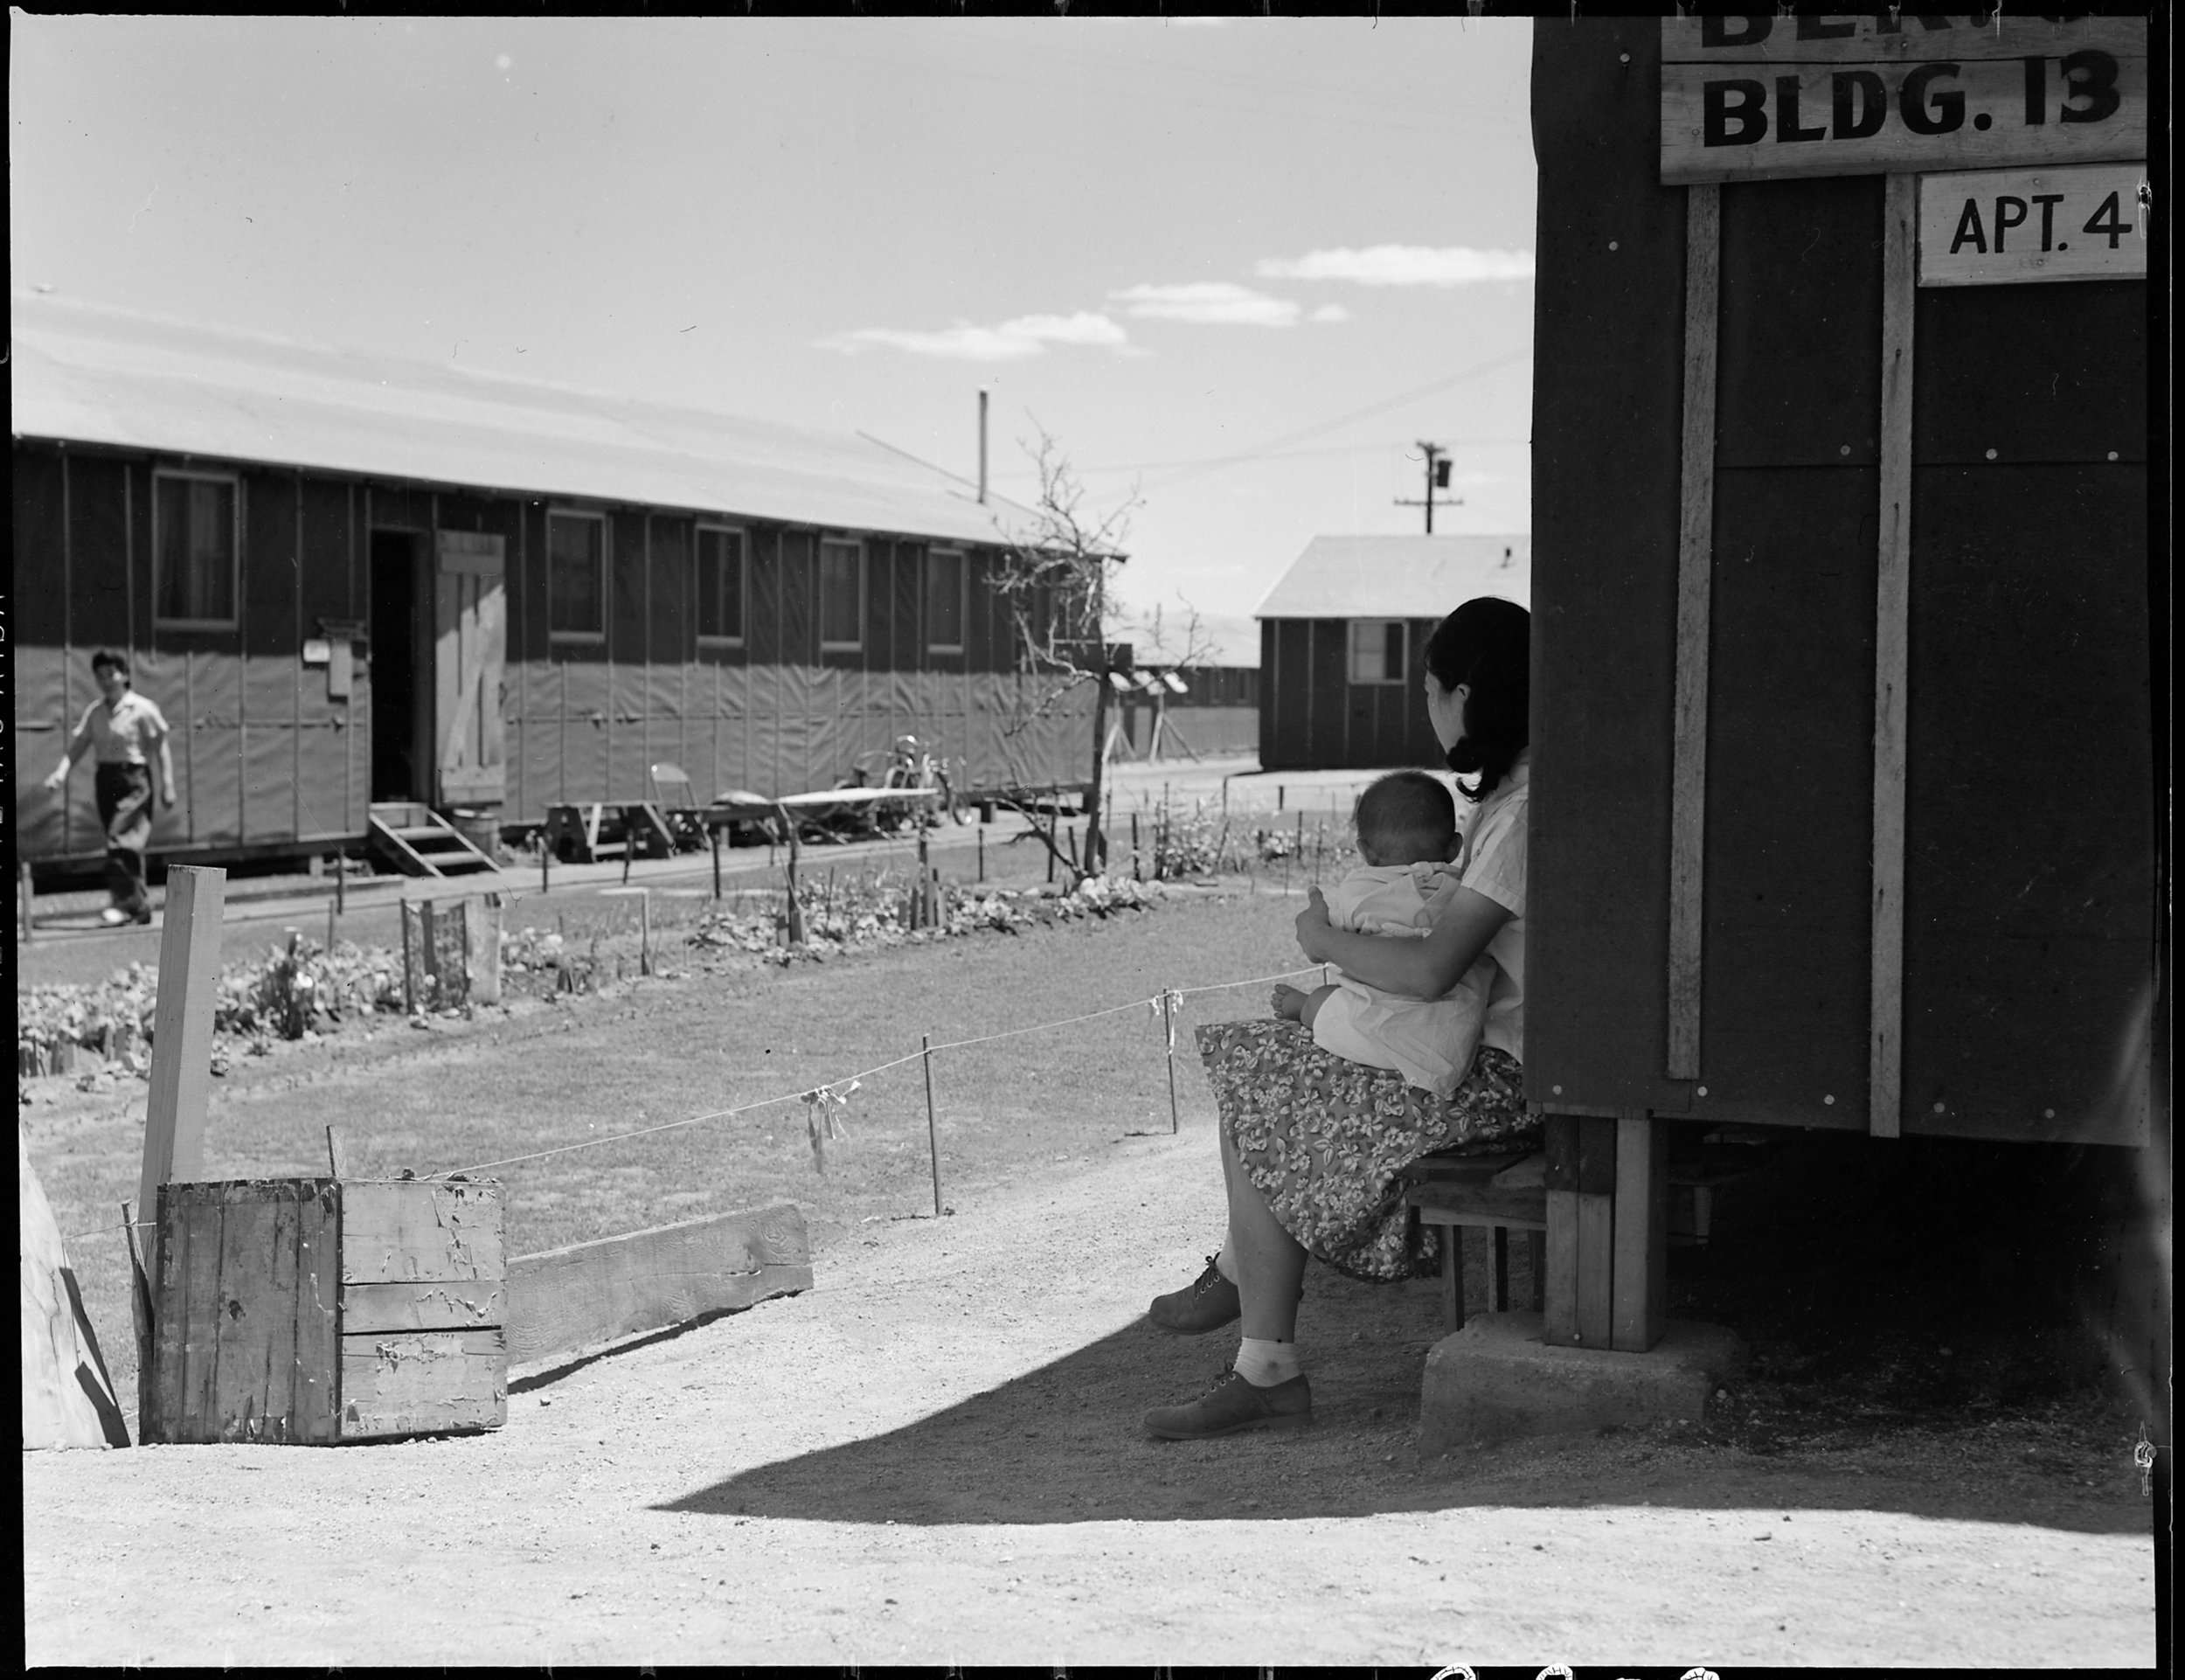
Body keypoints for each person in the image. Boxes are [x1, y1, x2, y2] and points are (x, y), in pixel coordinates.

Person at [1143, 597, 1533, 1440]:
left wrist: (1322, 937)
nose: (1429, 710)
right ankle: (1252, 1322)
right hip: (1496, 1055)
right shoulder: (1511, 803)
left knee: (1260, 1074)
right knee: (1265, 1065)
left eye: (1432, 691)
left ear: (1467, 695)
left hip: (1505, 1077)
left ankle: (1257, 1328)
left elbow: (1432, 971)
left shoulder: (1520, 820)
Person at [1270, 769, 1487, 1100]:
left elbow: (1323, 935)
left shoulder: (1359, 891)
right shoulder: (1466, 891)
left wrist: (1316, 917)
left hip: (1376, 1031)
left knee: (1323, 998)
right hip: (1451, 1042)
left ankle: (1303, 1008)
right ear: (1455, 846)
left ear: (1366, 851)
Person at [42, 651, 177, 927]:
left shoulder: (142, 708)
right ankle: (138, 906)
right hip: (106, 779)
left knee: (121, 839)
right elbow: (79, 746)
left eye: (111, 674)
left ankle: (122, 903)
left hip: (134, 778)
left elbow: (161, 746)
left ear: (125, 675)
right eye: (100, 676)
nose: (106, 681)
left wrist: (168, 785)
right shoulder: (96, 711)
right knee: (125, 845)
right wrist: (61, 772)